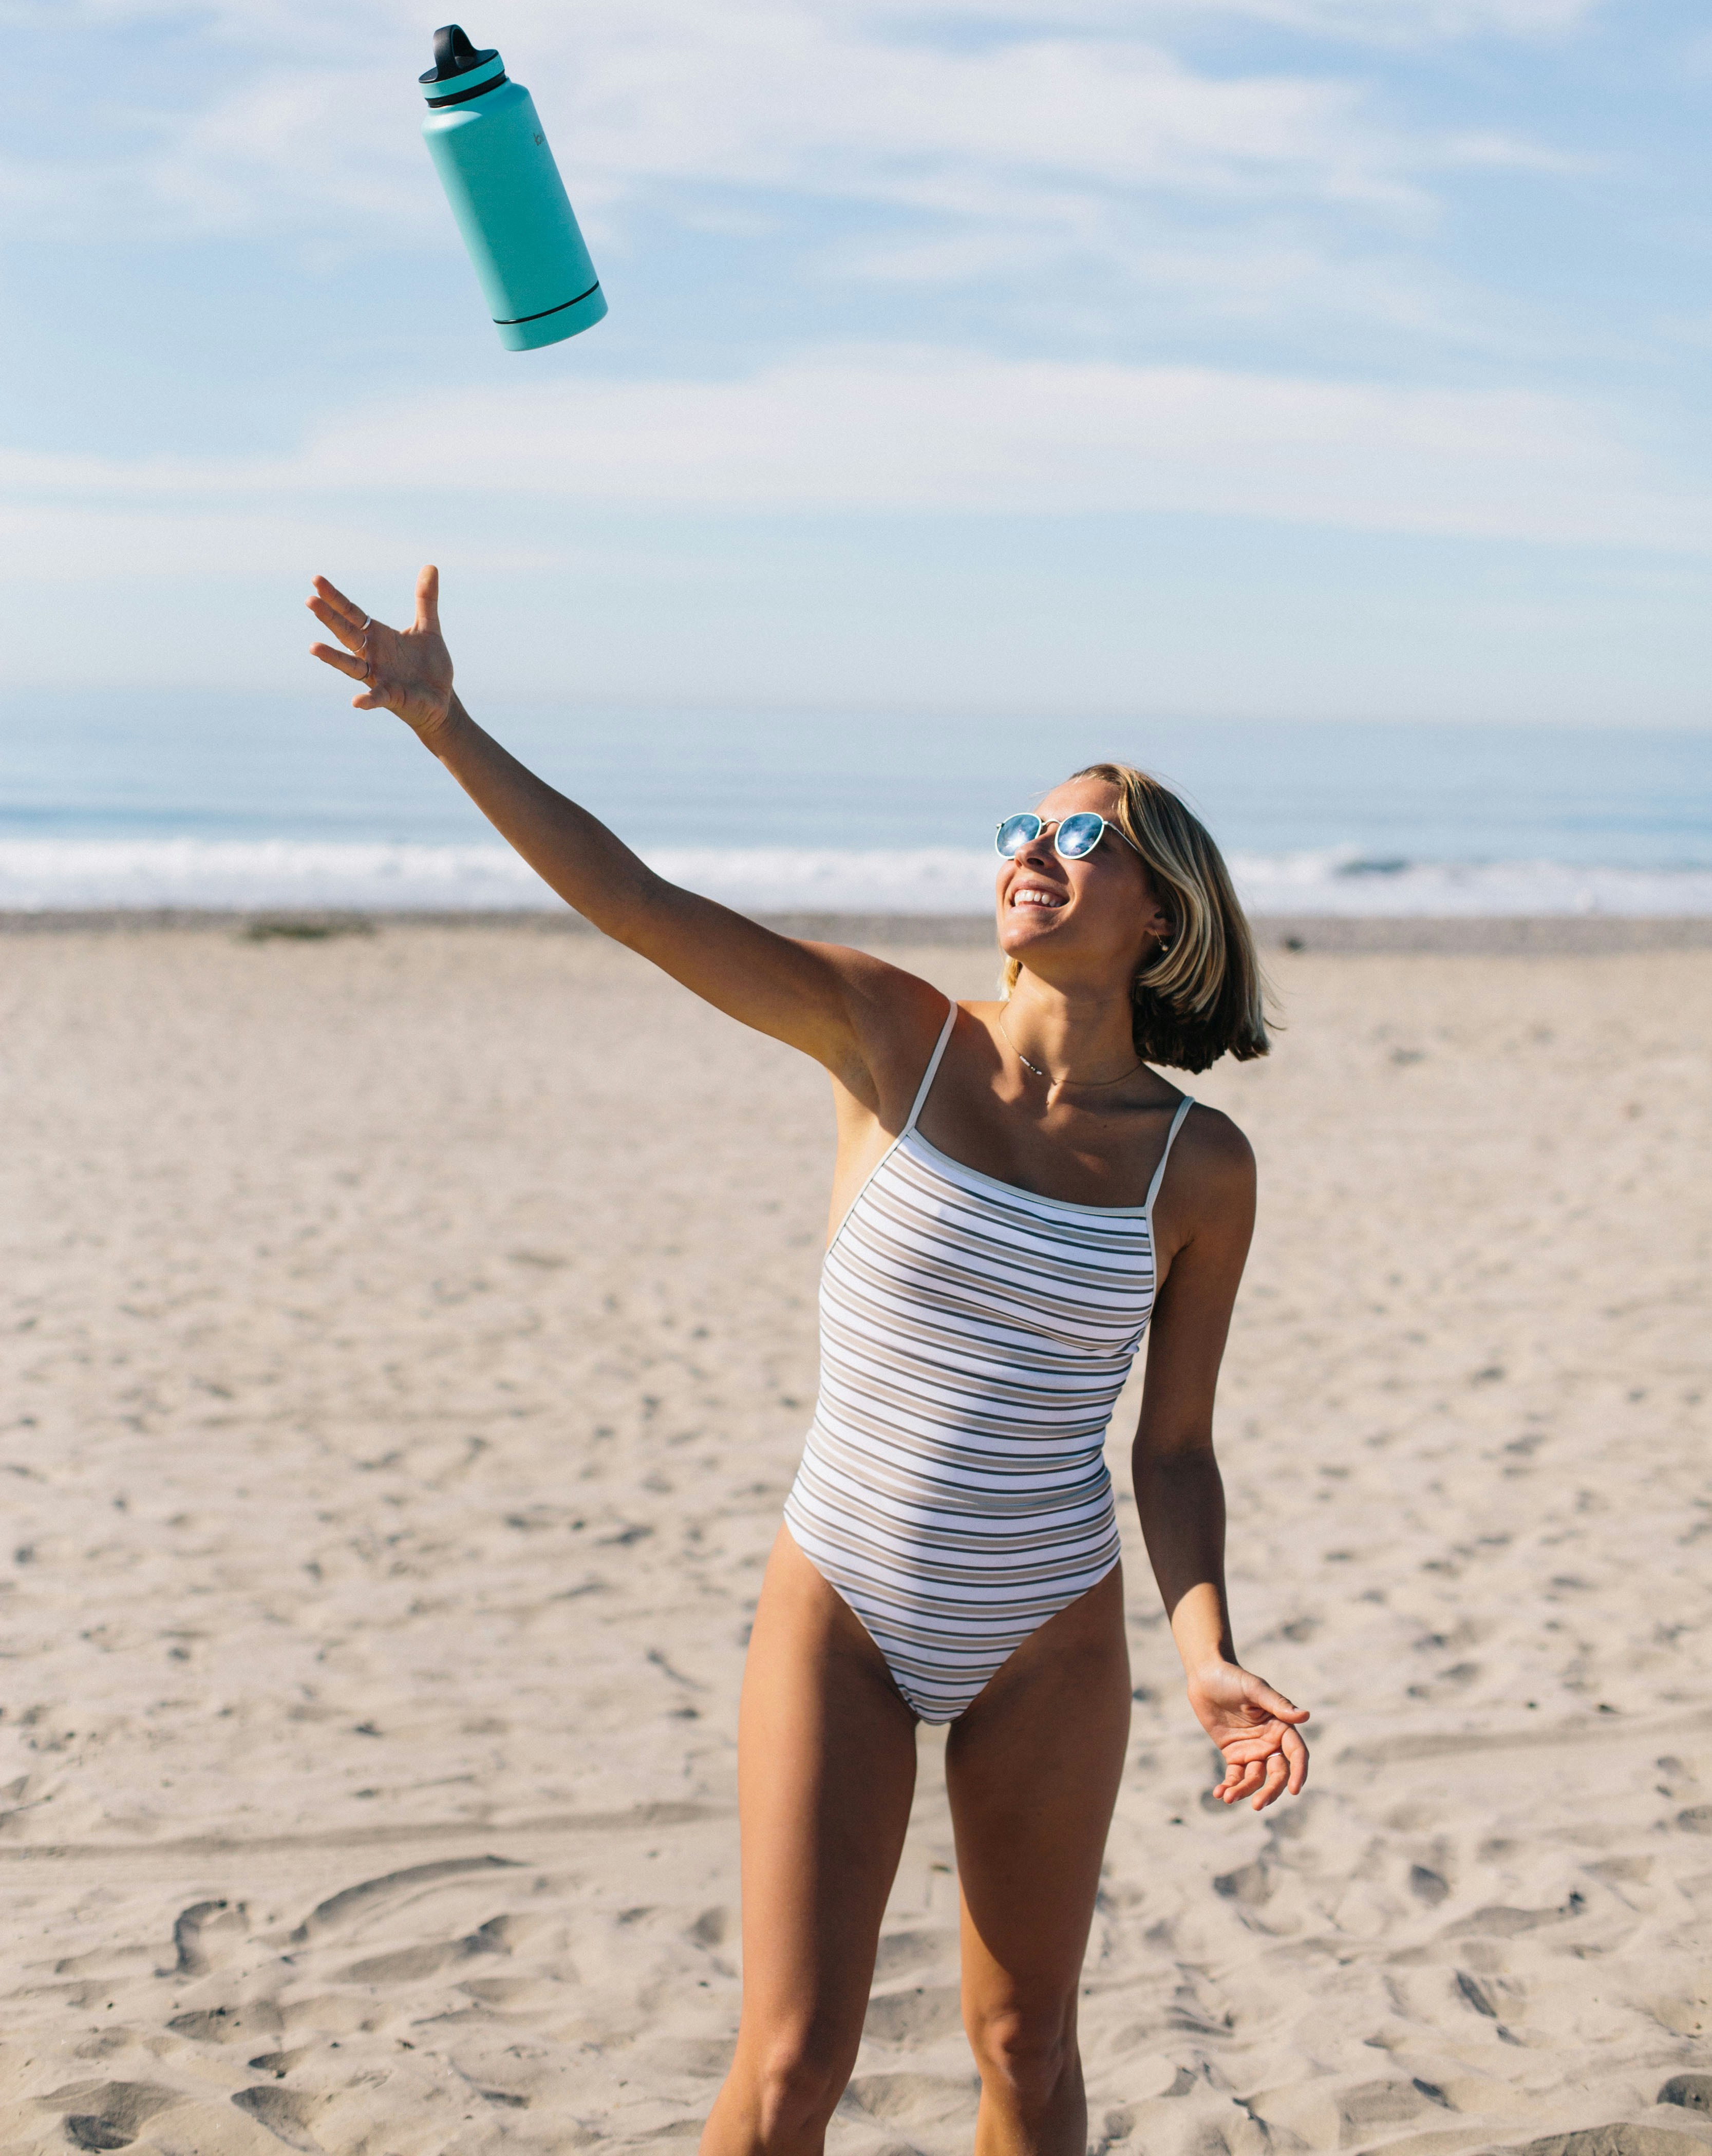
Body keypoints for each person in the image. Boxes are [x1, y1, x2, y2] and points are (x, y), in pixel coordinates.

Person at [307, 564, 1310, 2156]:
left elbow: (1171, 1451)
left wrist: (1203, 1652)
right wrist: (448, 725)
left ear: (1160, 913)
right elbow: (640, 906)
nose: (1031, 856)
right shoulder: (889, 1037)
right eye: (1019, 832)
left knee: (1027, 2052)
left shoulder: (1201, 1167)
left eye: (1078, 838)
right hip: (842, 1593)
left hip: (1048, 1631)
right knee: (791, 2071)